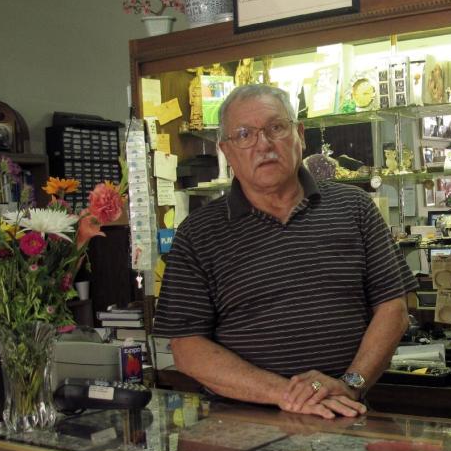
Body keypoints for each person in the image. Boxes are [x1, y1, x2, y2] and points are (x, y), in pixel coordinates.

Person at [153, 84, 416, 419]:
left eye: (276, 128)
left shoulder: (355, 208)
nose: (264, 144)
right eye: (244, 134)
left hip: (346, 414)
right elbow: (187, 347)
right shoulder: (198, 233)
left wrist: (350, 384)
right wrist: (289, 395)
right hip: (244, 424)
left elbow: (394, 306)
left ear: (299, 134)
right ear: (227, 151)